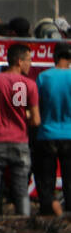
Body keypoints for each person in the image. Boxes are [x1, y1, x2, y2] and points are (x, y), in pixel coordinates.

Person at [0, 42, 39, 217]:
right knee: (20, 191)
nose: (30, 64)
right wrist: (23, 119)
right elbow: (36, 119)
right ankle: (23, 226)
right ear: (19, 61)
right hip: (19, 141)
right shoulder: (29, 85)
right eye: (28, 60)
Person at [34, 43, 71, 215]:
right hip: (69, 135)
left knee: (46, 180)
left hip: (46, 134)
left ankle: (47, 213)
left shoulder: (43, 77)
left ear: (54, 57)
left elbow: (36, 104)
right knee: (69, 180)